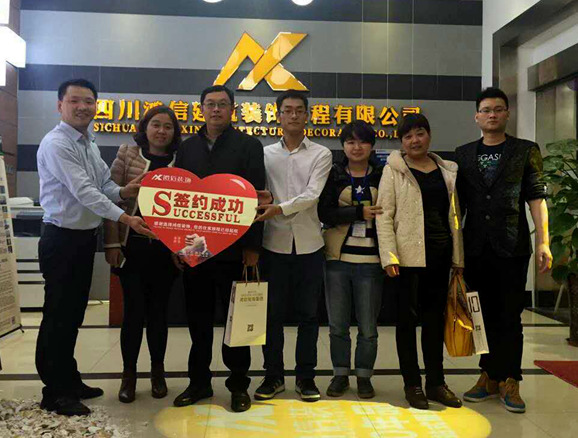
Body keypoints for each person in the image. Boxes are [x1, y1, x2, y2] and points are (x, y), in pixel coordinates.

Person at [36, 79, 155, 416]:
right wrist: (126, 218)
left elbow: (104, 184)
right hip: (60, 239)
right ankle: (54, 392)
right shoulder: (57, 144)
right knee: (58, 316)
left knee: (73, 314)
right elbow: (85, 192)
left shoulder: (88, 142)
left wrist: (126, 191)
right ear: (60, 105)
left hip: (82, 240)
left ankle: (69, 379)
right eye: (75, 100)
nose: (83, 107)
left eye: (89, 101)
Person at [456, 87, 552, 413]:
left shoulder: (525, 150)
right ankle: (488, 375)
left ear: (507, 114)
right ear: (477, 116)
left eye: (498, 109)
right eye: (486, 110)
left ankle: (510, 378)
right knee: (480, 315)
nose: (492, 114)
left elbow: (536, 198)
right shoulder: (463, 154)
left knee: (510, 315)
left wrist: (543, 241)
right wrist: (455, 251)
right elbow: (458, 207)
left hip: (512, 246)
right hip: (475, 247)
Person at [172, 85, 265, 413]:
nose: (215, 110)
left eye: (222, 104)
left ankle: (239, 386)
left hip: (235, 249)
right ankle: (199, 383)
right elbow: (180, 202)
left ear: (232, 109)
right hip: (196, 248)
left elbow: (256, 197)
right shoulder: (187, 148)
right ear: (201, 109)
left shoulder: (249, 146)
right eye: (210, 104)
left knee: (235, 322)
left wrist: (253, 246)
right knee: (198, 321)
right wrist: (177, 245)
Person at [375, 113, 464, 410]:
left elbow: (454, 216)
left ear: (429, 135)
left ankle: (436, 383)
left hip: (440, 254)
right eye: (408, 136)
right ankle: (412, 383)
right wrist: (389, 256)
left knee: (434, 321)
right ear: (401, 141)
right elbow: (384, 216)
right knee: (406, 322)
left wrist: (458, 257)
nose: (415, 140)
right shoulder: (393, 170)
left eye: (420, 133)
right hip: (406, 258)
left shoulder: (447, 170)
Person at [254, 90, 332, 402]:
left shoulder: (321, 154)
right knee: (271, 316)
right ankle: (273, 377)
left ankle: (306, 378)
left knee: (309, 316)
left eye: (299, 110)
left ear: (307, 115)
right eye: (288, 110)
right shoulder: (264, 154)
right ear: (279, 116)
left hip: (309, 245)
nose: (294, 115)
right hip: (273, 244)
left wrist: (278, 208)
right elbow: (258, 192)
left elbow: (312, 195)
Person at [103, 106, 182, 403]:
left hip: (166, 251)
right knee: (133, 314)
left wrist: (184, 249)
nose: (161, 131)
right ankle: (129, 375)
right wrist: (112, 244)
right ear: (145, 127)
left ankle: (157, 373)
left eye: (168, 126)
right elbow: (109, 198)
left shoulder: (181, 160)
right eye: (155, 124)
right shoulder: (127, 154)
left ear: (174, 132)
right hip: (132, 247)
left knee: (159, 314)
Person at [318, 121, 384, 399]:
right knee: (338, 325)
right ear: (343, 146)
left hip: (372, 262)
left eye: (363, 141)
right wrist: (358, 213)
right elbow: (324, 213)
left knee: (368, 327)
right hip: (337, 260)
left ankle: (364, 377)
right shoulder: (333, 175)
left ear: (372, 146)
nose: (357, 147)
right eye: (350, 142)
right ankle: (340, 375)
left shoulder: (383, 175)